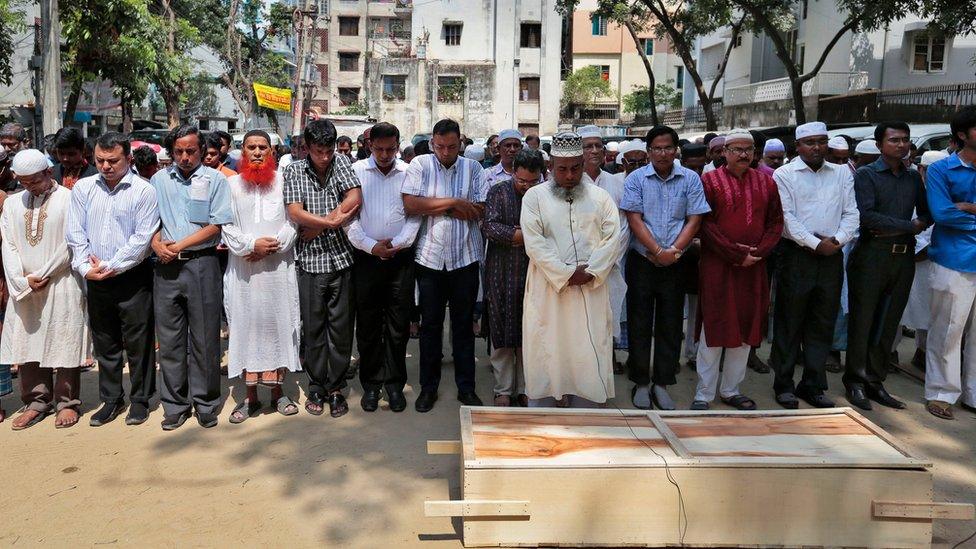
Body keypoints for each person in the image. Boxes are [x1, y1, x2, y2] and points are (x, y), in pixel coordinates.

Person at [520, 133, 620, 407]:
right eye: (562, 169)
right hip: (549, 290)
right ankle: (543, 420)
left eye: (575, 167)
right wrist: (566, 274)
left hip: (591, 288)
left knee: (587, 354)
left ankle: (586, 418)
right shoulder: (534, 197)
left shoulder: (601, 198)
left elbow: (614, 238)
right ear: (550, 166)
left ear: (583, 162)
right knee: (546, 352)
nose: (569, 175)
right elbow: (535, 244)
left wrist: (591, 271)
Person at [66, 132, 159, 427]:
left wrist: (110, 265)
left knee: (138, 342)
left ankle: (140, 400)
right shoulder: (83, 188)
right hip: (95, 278)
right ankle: (110, 399)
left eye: (113, 161)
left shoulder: (144, 191)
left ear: (128, 159)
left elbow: (142, 239)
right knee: (104, 341)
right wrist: (83, 267)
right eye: (100, 160)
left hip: (132, 276)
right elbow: (75, 232)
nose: (106, 166)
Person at [769, 122, 859, 409]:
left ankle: (813, 385)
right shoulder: (784, 174)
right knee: (789, 322)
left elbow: (851, 213)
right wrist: (814, 243)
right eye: (810, 142)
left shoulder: (842, 173)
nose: (817, 147)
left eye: (822, 141)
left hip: (832, 255)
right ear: (798, 146)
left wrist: (838, 240)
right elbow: (787, 218)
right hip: (797, 255)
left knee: (822, 323)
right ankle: (783, 384)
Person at [150, 125, 233, 430]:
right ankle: (175, 404)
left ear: (202, 150)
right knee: (170, 340)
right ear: (171, 151)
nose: (185, 157)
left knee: (204, 338)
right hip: (165, 268)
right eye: (179, 152)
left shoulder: (215, 181)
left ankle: (206, 402)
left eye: (191, 151)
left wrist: (180, 246)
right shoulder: (158, 180)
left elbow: (217, 225)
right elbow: (151, 220)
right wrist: (156, 244)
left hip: (202, 263)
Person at [693, 129, 783, 410]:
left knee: (746, 326)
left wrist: (758, 252)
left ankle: (731, 390)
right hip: (718, 265)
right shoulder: (709, 181)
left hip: (753, 267)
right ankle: (704, 393)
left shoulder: (767, 183)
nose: (743, 154)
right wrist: (734, 253)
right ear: (725, 152)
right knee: (715, 326)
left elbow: (776, 222)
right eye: (737, 149)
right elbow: (705, 224)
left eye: (749, 149)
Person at [622, 126, 710, 410]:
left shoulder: (690, 179)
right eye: (657, 148)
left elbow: (694, 219)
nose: (662, 153)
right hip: (642, 261)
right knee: (639, 322)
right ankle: (641, 382)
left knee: (671, 324)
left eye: (668, 148)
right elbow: (634, 219)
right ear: (649, 152)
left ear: (676, 150)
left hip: (675, 261)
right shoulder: (636, 179)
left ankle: (662, 383)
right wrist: (657, 251)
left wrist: (673, 252)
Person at [215, 130, 301, 423]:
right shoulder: (231, 185)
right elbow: (225, 225)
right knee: (246, 328)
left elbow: (293, 223)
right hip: (244, 273)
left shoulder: (283, 183)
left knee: (279, 324)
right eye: (251, 147)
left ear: (272, 151)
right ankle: (249, 399)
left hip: (277, 270)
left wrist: (269, 247)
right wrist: (250, 246)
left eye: (262, 147)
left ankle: (278, 394)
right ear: (242, 151)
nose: (256, 152)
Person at [844, 122, 931, 411]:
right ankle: (855, 381)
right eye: (894, 140)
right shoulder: (867, 175)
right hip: (872, 255)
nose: (901, 145)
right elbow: (867, 218)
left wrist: (901, 229)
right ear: (880, 144)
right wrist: (908, 226)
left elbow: (927, 215)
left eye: (905, 140)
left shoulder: (911, 178)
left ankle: (875, 380)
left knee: (888, 322)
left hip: (903, 257)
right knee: (864, 319)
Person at [402, 119, 487, 412]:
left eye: (452, 146)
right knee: (430, 327)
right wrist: (453, 203)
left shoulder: (474, 168)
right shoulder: (420, 165)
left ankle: (467, 388)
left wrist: (434, 204)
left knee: (464, 327)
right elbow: (410, 205)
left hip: (465, 257)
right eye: (440, 146)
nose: (446, 152)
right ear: (432, 143)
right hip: (429, 258)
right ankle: (429, 388)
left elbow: (478, 210)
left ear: (460, 143)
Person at [0, 150, 89, 429]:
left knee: (64, 340)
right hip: (24, 286)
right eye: (23, 182)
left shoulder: (69, 199)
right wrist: (21, 280)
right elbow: (9, 244)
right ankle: (36, 401)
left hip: (61, 280)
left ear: (49, 173)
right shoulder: (13, 204)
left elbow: (72, 241)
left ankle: (66, 402)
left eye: (34, 181)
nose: (29, 187)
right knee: (28, 343)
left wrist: (45, 273)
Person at [284, 119, 362, 418]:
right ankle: (316, 384)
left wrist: (325, 224)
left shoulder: (341, 162)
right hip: (310, 262)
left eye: (328, 150)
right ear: (307, 148)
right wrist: (331, 222)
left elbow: (354, 197)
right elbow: (295, 211)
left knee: (341, 330)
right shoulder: (293, 169)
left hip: (342, 259)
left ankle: (337, 386)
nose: (325, 156)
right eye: (319, 151)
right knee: (314, 328)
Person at [345, 122, 418, 413]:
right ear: (368, 145)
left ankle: (394, 385)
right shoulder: (356, 172)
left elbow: (415, 215)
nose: (385, 155)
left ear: (398, 145)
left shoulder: (409, 173)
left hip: (400, 259)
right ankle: (372, 386)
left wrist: (397, 244)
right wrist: (371, 246)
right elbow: (348, 218)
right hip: (366, 259)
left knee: (398, 325)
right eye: (379, 149)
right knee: (369, 325)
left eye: (391, 149)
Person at [924, 106, 976, 420]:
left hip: (962, 251)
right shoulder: (941, 169)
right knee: (948, 331)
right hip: (953, 260)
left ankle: (972, 393)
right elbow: (942, 214)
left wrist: (970, 208)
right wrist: (964, 212)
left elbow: (955, 214)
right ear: (962, 134)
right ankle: (941, 392)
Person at [483, 149, 544, 407]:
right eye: (521, 182)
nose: (527, 187)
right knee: (501, 332)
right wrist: (523, 236)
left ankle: (527, 388)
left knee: (531, 333)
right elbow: (490, 227)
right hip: (501, 272)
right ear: (513, 173)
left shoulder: (546, 195)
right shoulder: (498, 191)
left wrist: (520, 234)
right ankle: (503, 389)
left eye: (532, 182)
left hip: (535, 274)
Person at [900, 150, 948, 373]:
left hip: (936, 261)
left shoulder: (946, 191)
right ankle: (888, 352)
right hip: (908, 256)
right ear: (921, 169)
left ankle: (922, 353)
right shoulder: (910, 187)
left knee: (933, 312)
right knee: (899, 308)